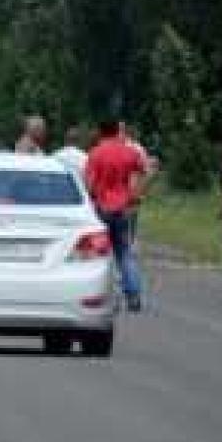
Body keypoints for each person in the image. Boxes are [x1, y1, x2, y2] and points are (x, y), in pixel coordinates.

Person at [85, 118, 150, 312]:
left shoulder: (95, 153)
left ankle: (103, 295)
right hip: (123, 208)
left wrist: (92, 198)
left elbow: (89, 184)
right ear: (117, 131)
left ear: (100, 132)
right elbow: (146, 170)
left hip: (101, 208)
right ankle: (133, 294)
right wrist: (137, 194)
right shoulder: (129, 152)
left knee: (99, 254)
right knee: (124, 252)